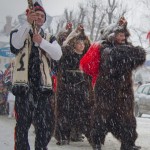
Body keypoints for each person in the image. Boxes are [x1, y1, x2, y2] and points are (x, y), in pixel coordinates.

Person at [80, 17, 146, 150]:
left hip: (124, 91)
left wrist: (130, 51)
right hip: (106, 89)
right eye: (119, 34)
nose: (122, 37)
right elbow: (114, 57)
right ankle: (97, 142)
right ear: (112, 36)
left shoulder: (126, 48)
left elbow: (140, 56)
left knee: (127, 119)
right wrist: (129, 52)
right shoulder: (104, 47)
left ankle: (128, 143)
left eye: (124, 35)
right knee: (102, 117)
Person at [10, 2, 62, 150]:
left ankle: (41, 147)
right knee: (23, 124)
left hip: (42, 87)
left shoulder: (49, 37)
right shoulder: (19, 31)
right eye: (36, 15)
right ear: (29, 16)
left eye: (42, 16)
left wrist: (42, 42)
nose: (39, 18)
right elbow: (16, 44)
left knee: (45, 125)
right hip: (24, 85)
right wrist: (27, 24)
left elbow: (57, 54)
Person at [55, 25, 92, 145]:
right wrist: (73, 33)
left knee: (81, 112)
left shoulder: (86, 57)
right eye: (79, 43)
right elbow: (64, 46)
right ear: (74, 44)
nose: (82, 45)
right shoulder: (67, 54)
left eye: (83, 43)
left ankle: (77, 133)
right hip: (68, 88)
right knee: (66, 113)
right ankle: (63, 136)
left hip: (82, 89)